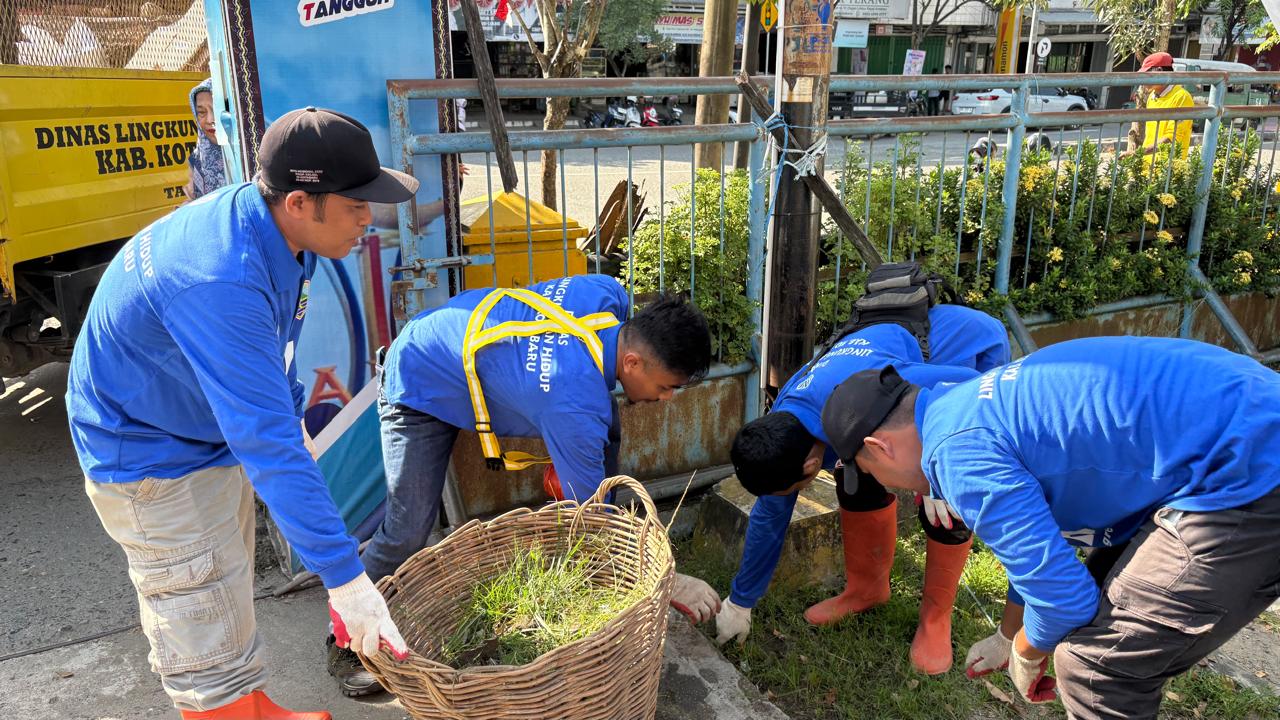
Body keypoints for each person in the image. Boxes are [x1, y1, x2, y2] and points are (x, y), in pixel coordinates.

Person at [67, 108, 419, 719]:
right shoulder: (221, 278)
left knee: (226, 585)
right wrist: (346, 579)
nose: (370, 218)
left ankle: (254, 705)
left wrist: (289, 418)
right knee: (197, 611)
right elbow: (268, 448)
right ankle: (228, 709)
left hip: (196, 423)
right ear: (301, 202)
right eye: (356, 204)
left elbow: (273, 349)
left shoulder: (275, 231)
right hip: (145, 450)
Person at [820, 337, 1280, 718]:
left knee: (1095, 669)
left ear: (879, 447)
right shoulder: (962, 403)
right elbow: (1048, 561)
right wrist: (1010, 636)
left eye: (871, 473)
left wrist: (1026, 650)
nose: (888, 488)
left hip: (1245, 470)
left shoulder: (957, 453)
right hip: (1244, 419)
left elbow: (1063, 600)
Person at [326, 275, 723, 695]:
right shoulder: (573, 406)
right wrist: (668, 581)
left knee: (606, 433)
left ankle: (604, 553)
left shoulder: (608, 293)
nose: (667, 400)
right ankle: (344, 636)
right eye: (665, 388)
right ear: (632, 363)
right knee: (408, 528)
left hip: (453, 345)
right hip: (417, 382)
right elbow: (587, 524)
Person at [715, 303, 1009, 675]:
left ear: (809, 466)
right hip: (893, 381)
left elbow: (964, 383)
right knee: (854, 474)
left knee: (945, 500)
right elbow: (771, 514)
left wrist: (939, 461)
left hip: (970, 352)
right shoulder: (788, 418)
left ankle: (935, 620)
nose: (783, 500)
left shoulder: (867, 388)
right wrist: (740, 602)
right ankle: (867, 590)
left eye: (788, 490)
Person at [1122, 52, 1194, 162]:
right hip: (1147, 166)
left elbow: (1171, 139)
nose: (1143, 80)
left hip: (1168, 168)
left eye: (1146, 74)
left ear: (1159, 71)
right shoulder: (1152, 96)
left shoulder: (1182, 97)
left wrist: (1138, 153)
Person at [183, 78, 228, 201]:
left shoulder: (254, 150)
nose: (210, 120)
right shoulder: (197, 161)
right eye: (202, 112)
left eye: (216, 110)